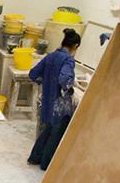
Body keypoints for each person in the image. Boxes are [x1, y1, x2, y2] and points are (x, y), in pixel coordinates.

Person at [28, 29, 81, 169]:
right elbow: (64, 79)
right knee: (56, 133)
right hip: (60, 104)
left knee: (48, 129)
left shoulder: (51, 56)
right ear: (75, 46)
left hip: (47, 101)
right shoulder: (68, 60)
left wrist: (45, 82)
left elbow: (33, 74)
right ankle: (46, 164)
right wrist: (69, 87)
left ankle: (35, 158)